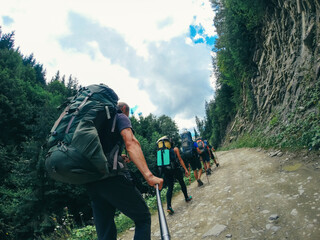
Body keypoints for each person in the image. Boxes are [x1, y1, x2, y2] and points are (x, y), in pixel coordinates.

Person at [85, 102, 163, 240]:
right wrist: (149, 176)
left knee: (106, 232)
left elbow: (101, 150)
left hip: (92, 181)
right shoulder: (120, 116)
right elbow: (130, 142)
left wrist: (118, 157)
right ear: (124, 109)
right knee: (143, 218)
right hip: (113, 179)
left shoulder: (96, 122)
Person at [160, 138, 192, 215]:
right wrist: (185, 169)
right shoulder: (175, 149)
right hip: (175, 169)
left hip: (166, 170)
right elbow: (180, 159)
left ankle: (168, 207)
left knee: (170, 187)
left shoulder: (162, 151)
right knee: (181, 182)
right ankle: (186, 197)